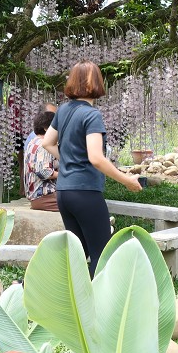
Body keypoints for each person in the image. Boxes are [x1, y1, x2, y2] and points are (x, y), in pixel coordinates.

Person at [42, 60, 142, 275]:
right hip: (85, 191)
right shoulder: (91, 114)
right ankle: (96, 305)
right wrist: (126, 180)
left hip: (64, 192)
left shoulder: (63, 110)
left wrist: (70, 159)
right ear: (96, 82)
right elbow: (96, 158)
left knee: (78, 253)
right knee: (103, 253)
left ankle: (38, 291)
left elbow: (47, 143)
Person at [23, 108, 59, 211]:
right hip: (44, 197)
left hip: (37, 197)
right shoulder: (43, 145)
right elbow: (44, 172)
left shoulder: (33, 142)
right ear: (46, 128)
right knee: (84, 203)